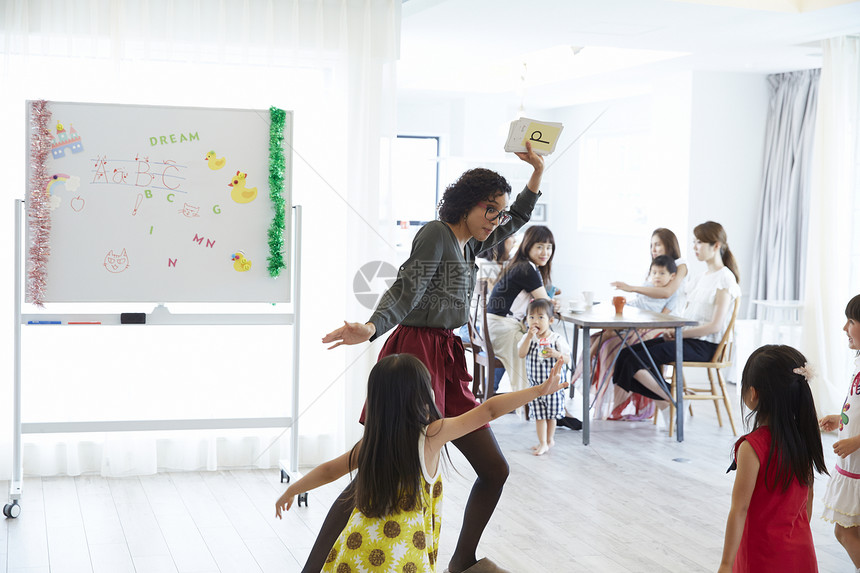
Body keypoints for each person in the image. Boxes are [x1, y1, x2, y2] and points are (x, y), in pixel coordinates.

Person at [317, 142, 545, 573]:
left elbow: (517, 217)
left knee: (494, 470)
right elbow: (408, 286)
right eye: (490, 210)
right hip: (415, 354)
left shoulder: (469, 243)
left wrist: (537, 172)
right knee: (374, 472)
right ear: (467, 205)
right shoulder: (438, 234)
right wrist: (370, 327)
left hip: (447, 357)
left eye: (498, 212)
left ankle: (461, 562)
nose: (497, 220)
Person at [275, 354, 568, 573]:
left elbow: (329, 470)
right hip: (404, 560)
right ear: (422, 395)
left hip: (356, 553)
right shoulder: (431, 436)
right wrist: (538, 391)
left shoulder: (372, 444)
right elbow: (488, 409)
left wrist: (291, 490)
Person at [612, 221, 740, 420]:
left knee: (635, 360)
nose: (695, 247)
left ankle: (673, 401)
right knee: (625, 356)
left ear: (715, 246)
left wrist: (681, 333)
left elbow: (715, 326)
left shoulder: (724, 279)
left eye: (699, 243)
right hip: (686, 339)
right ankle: (670, 401)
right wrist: (673, 331)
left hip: (707, 346)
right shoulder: (700, 278)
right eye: (694, 242)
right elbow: (689, 316)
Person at [718, 345, 828, 572]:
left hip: (762, 555)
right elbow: (808, 501)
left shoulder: (752, 447)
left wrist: (726, 564)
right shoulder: (804, 438)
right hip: (801, 553)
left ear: (753, 393)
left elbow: (739, 509)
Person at [573, 228, 688, 421]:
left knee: (612, 345)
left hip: (662, 326)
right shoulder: (655, 269)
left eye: (658, 244)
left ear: (670, 244)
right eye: (651, 245)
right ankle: (588, 381)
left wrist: (631, 288)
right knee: (600, 337)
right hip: (647, 321)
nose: (653, 249)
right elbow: (648, 301)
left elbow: (667, 298)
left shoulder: (679, 266)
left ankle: (658, 401)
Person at [486, 225, 558, 393]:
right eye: (539, 246)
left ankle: (542, 399)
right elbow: (545, 303)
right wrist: (553, 303)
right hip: (502, 327)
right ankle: (541, 401)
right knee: (539, 351)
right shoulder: (527, 268)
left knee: (538, 346)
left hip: (496, 326)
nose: (545, 252)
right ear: (528, 246)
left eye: (549, 248)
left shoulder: (520, 264)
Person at [819, 293, 860, 571]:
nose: (845, 328)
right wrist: (841, 419)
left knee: (845, 531)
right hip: (853, 463)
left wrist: (856, 440)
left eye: (851, 321)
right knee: (847, 530)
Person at [459, 236, 517, 391]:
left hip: (482, 327)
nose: (515, 241)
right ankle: (490, 391)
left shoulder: (500, 266)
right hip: (473, 329)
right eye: (511, 237)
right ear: (499, 242)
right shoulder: (485, 266)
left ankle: (490, 390)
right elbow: (497, 300)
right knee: (508, 342)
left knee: (512, 338)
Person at [517, 298, 571, 455]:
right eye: (531, 317)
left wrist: (556, 354)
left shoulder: (556, 339)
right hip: (535, 387)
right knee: (539, 415)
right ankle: (542, 442)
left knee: (551, 415)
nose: (536, 321)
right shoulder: (529, 339)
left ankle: (549, 440)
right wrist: (527, 337)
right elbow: (521, 354)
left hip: (553, 386)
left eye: (541, 317)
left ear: (551, 320)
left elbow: (567, 359)